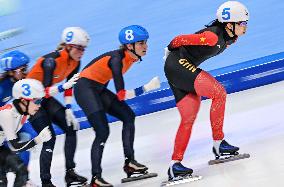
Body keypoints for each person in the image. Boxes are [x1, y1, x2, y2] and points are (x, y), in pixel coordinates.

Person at [163, 1, 249, 180]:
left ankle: (175, 165)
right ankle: (218, 144)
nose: (245, 27)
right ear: (229, 24)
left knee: (188, 118)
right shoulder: (212, 37)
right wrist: (169, 49)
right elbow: (179, 39)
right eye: (242, 23)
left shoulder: (230, 38)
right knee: (219, 92)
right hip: (177, 65)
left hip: (178, 69)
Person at [74, 25, 160, 187]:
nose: (146, 46)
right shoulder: (117, 60)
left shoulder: (129, 58)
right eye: (141, 43)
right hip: (84, 89)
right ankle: (96, 178)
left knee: (128, 116)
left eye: (145, 42)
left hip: (97, 88)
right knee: (102, 131)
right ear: (129, 45)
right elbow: (122, 95)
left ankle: (130, 163)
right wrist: (146, 88)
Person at [26, 27, 90, 187]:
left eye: (84, 48)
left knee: (70, 127)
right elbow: (44, 91)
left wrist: (68, 108)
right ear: (68, 46)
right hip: (29, 102)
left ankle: (70, 173)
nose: (82, 52)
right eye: (79, 48)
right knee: (49, 138)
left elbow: (69, 86)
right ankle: (46, 182)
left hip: (45, 98)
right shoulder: (51, 61)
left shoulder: (76, 62)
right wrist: (62, 88)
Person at [0, 78, 52, 187]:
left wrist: (64, 87)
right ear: (23, 101)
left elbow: (47, 93)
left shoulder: (24, 112)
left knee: (22, 171)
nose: (39, 105)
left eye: (40, 101)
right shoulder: (7, 114)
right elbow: (15, 146)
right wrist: (38, 140)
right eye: (37, 101)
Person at [0, 50, 38, 186]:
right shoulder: (2, 88)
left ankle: (24, 179)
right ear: (11, 72)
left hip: (12, 120)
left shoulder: (22, 83)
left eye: (26, 68)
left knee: (27, 135)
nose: (25, 72)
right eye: (22, 69)